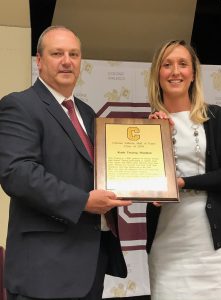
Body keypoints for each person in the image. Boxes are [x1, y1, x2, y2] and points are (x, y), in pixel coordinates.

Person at [0, 25, 132, 300]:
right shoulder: (20, 105)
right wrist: (83, 201)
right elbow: (18, 173)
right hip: (43, 270)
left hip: (89, 265)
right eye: (57, 53)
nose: (67, 61)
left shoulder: (86, 112)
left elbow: (103, 170)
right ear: (39, 60)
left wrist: (152, 183)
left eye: (74, 54)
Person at [146, 39, 221, 300]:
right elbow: (144, 184)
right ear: (158, 74)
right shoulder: (149, 127)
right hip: (167, 242)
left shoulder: (216, 118)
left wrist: (183, 183)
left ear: (193, 73)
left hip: (213, 247)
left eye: (182, 64)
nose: (175, 71)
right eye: (167, 65)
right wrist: (157, 137)